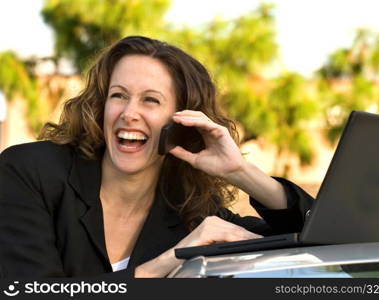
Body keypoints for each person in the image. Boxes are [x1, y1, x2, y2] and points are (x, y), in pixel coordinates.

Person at [0, 36, 313, 278]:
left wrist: (240, 171)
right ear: (101, 106)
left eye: (150, 100)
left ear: (181, 121)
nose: (128, 113)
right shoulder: (29, 172)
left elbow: (323, 243)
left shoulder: (192, 214)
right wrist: (167, 263)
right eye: (118, 95)